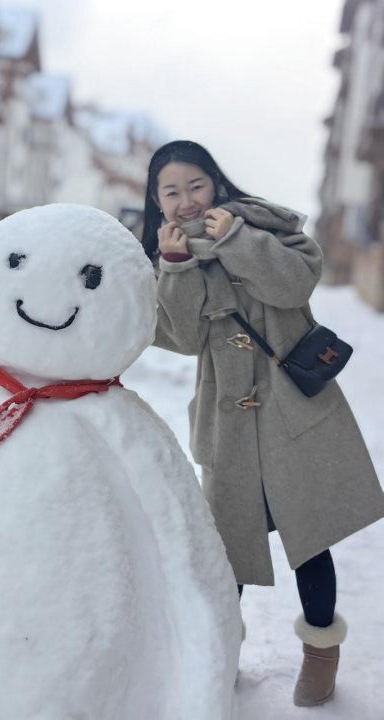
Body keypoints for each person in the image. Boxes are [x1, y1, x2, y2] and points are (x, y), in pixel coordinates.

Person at [141, 139, 384, 707]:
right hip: (227, 418)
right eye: (170, 192)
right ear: (157, 201)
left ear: (216, 183)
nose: (185, 202)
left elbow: (292, 288)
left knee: (309, 542)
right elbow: (178, 338)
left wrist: (234, 239)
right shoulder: (166, 254)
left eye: (195, 186)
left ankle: (321, 655)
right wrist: (175, 267)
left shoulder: (265, 230)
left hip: (291, 412)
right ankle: (220, 654)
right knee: (230, 553)